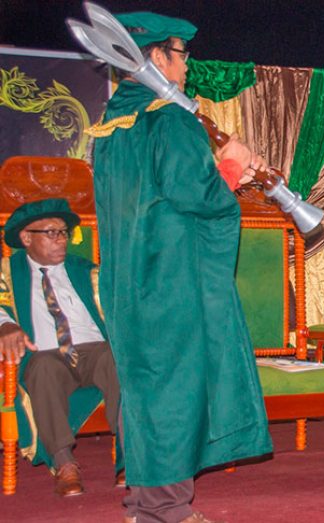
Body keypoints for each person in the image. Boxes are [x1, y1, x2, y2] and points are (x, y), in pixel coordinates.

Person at [87, 11, 271, 523]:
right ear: (156, 56)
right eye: (182, 55)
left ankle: (145, 506)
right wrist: (232, 165)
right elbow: (197, 194)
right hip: (172, 280)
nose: (187, 67)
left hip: (131, 281)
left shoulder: (110, 124)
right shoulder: (168, 116)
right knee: (174, 390)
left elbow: (152, 198)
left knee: (145, 390)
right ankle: (167, 511)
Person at [0, 198, 123, 497]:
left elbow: (121, 305)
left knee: (117, 357)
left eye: (64, 233)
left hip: (94, 351)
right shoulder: (7, 272)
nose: (61, 240)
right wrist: (4, 324)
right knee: (42, 367)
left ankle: (131, 459)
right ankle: (65, 463)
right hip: (47, 357)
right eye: (51, 233)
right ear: (26, 238)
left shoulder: (85, 270)